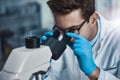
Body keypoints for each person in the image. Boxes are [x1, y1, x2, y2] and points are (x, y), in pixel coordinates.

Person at [40, 0, 120, 80]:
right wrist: (43, 64)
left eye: (72, 30)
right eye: (60, 30)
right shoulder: (61, 38)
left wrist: (93, 71)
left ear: (93, 19)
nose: (67, 37)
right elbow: (53, 76)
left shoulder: (116, 39)